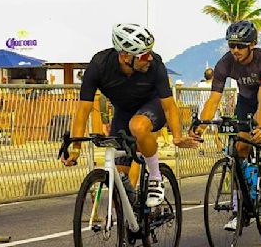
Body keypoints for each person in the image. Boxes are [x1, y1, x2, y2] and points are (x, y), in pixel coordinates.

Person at [62, 23, 199, 207]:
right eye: (143, 55)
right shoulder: (99, 65)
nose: (149, 58)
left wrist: (177, 136)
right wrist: (76, 147)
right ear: (125, 56)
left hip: (152, 105)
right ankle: (133, 216)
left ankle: (155, 177)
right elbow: (83, 110)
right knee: (119, 187)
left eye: (150, 52)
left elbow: (169, 106)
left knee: (138, 126)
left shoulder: (155, 64)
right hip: (123, 112)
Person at [195, 20, 261, 231]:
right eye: (231, 45)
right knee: (239, 148)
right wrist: (201, 126)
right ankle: (240, 207)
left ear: (252, 44)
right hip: (245, 99)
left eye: (240, 46)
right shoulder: (224, 63)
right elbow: (213, 100)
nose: (235, 50)